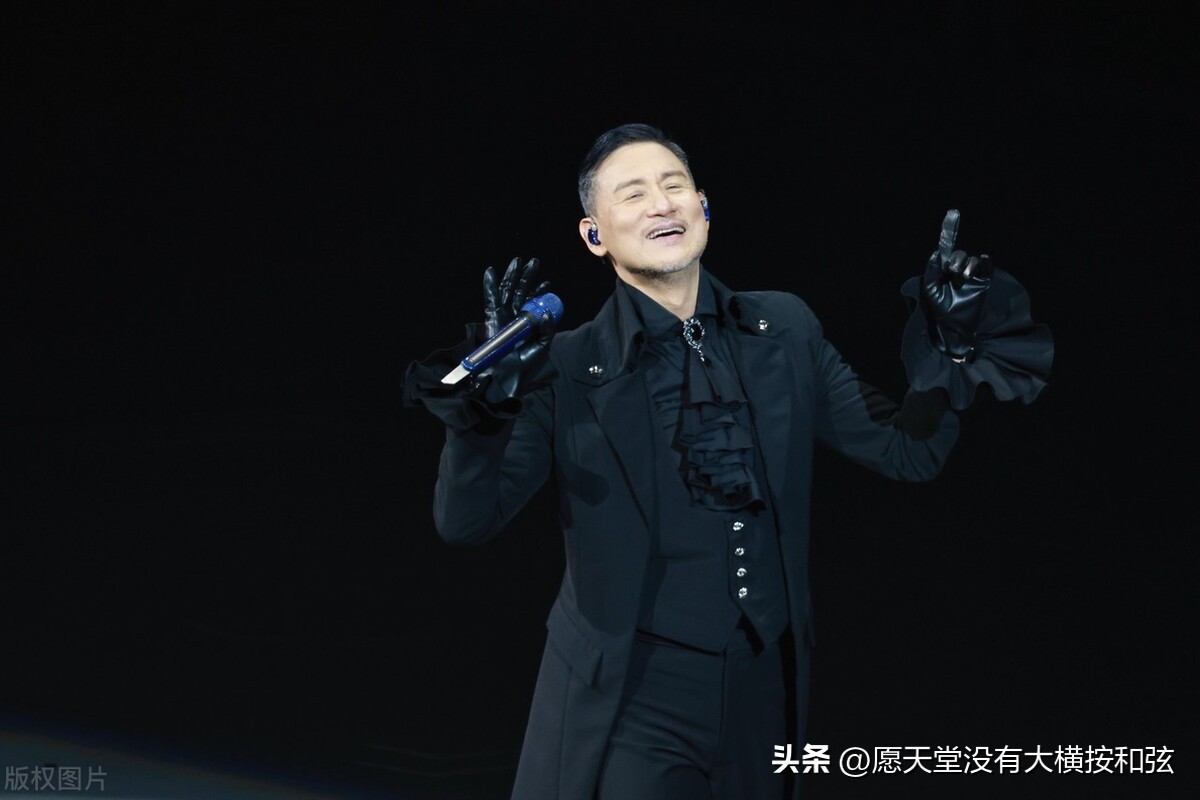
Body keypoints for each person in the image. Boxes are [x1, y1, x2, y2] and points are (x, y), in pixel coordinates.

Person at [403, 123, 1052, 799]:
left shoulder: (785, 329)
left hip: (762, 690)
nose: (662, 204)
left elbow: (906, 452)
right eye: (633, 194)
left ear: (704, 208)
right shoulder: (568, 366)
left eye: (675, 185)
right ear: (595, 235)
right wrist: (484, 413)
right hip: (633, 699)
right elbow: (467, 521)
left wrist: (949, 346)